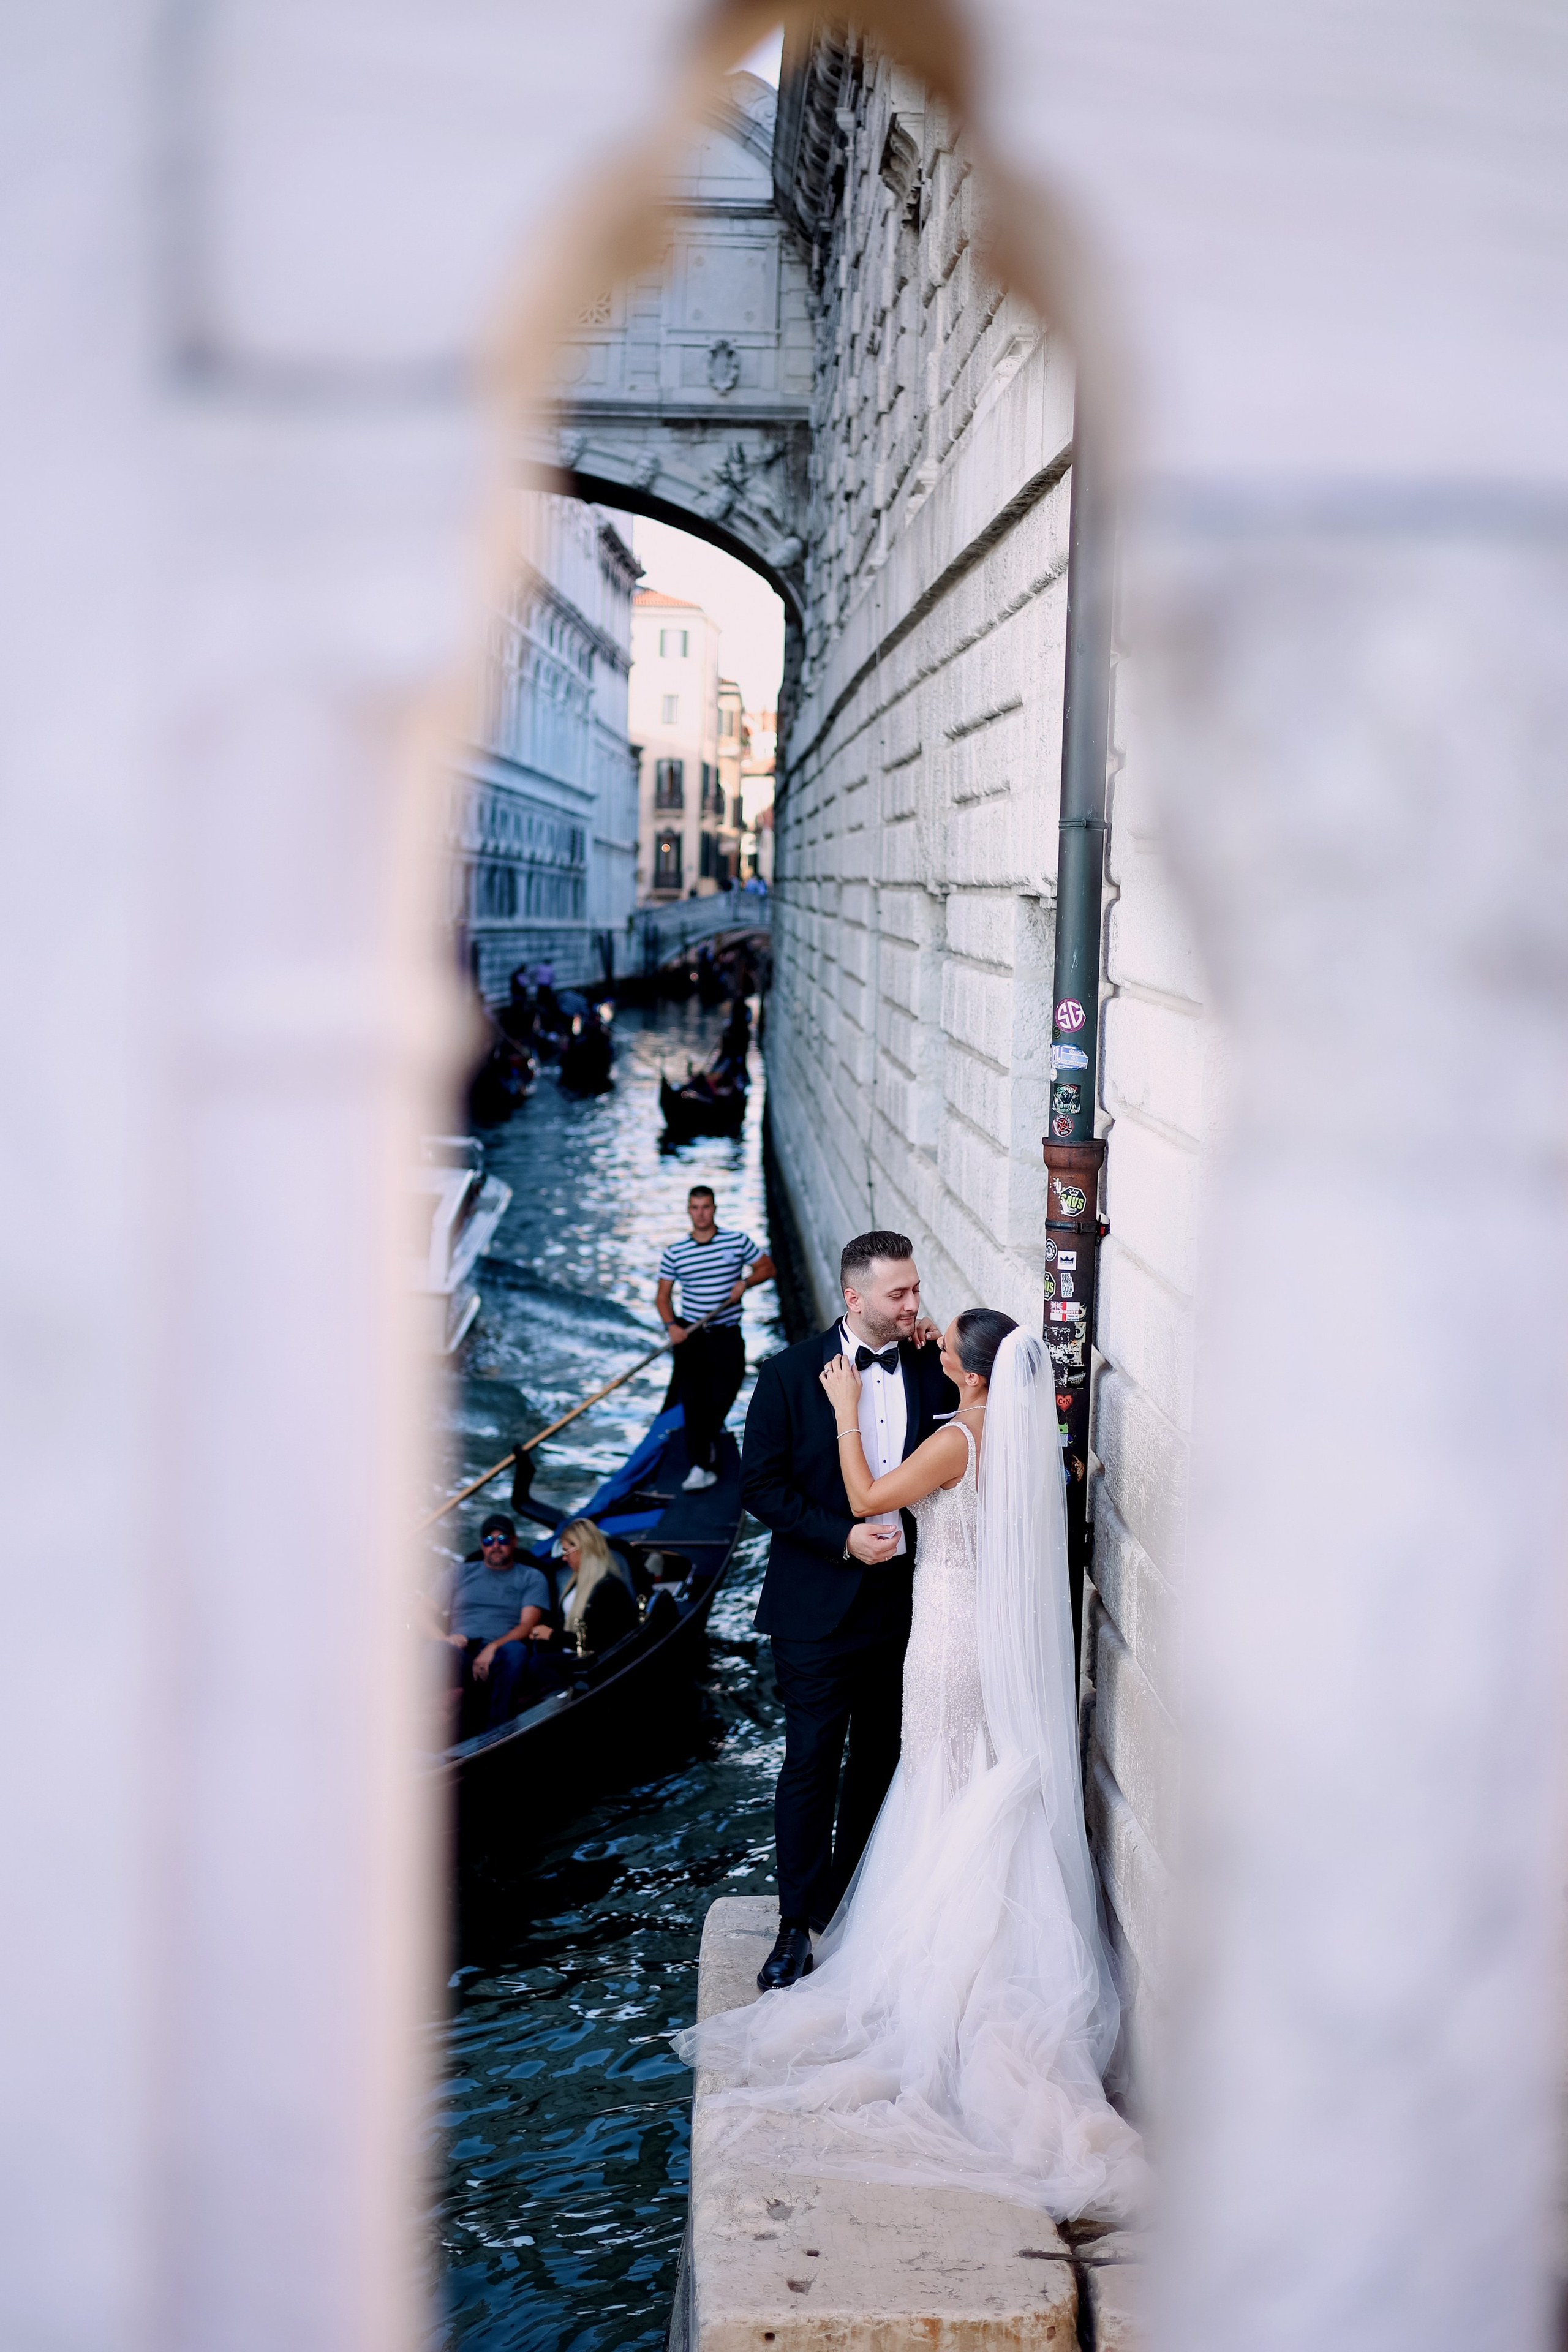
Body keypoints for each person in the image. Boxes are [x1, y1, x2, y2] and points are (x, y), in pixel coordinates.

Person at [675, 1312, 1146, 2223]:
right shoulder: (1018, 1439)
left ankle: (936, 1967)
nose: (927, 1343)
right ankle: (925, 1936)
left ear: (971, 1375)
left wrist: (849, 1408)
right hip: (980, 1633)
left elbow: (863, 1496)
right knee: (955, 1780)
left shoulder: (956, 1438)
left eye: (943, 1348)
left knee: (934, 1781)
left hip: (944, 1638)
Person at [737, 1229, 956, 1991]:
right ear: (853, 1299)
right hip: (813, 1610)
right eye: (897, 1294)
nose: (913, 1304)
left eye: (915, 1289)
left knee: (879, 1761)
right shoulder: (788, 1375)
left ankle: (853, 1904)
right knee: (809, 1764)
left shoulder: (929, 1361)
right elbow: (759, 1489)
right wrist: (842, 1539)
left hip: (905, 1604)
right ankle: (794, 1923)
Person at [657, 1186, 775, 1494]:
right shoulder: (676, 1252)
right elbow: (663, 1297)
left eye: (706, 1207)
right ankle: (702, 1465)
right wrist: (671, 1325)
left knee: (726, 1391)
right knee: (694, 1399)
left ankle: (705, 1438)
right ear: (688, 1210)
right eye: (695, 1207)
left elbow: (767, 1267)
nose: (701, 1213)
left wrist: (745, 1283)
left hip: (726, 1334)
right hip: (692, 1336)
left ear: (714, 1208)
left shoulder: (736, 1242)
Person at [419, 1513, 553, 1737]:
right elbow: (421, 1611)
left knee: (516, 1650)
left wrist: (493, 1648)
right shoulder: (459, 1574)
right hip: (461, 1652)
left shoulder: (531, 1577)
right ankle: (424, 1730)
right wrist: (445, 1640)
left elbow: (528, 1624)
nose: (496, 1546)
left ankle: (497, 1734)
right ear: (482, 1545)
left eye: (503, 1540)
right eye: (489, 1541)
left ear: (514, 1542)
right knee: (436, 1649)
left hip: (501, 1655)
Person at [554, 1518, 639, 1654]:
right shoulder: (576, 1581)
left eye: (566, 1552)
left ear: (582, 1549)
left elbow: (599, 1640)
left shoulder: (610, 1590)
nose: (564, 1558)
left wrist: (551, 1636)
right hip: (573, 1653)